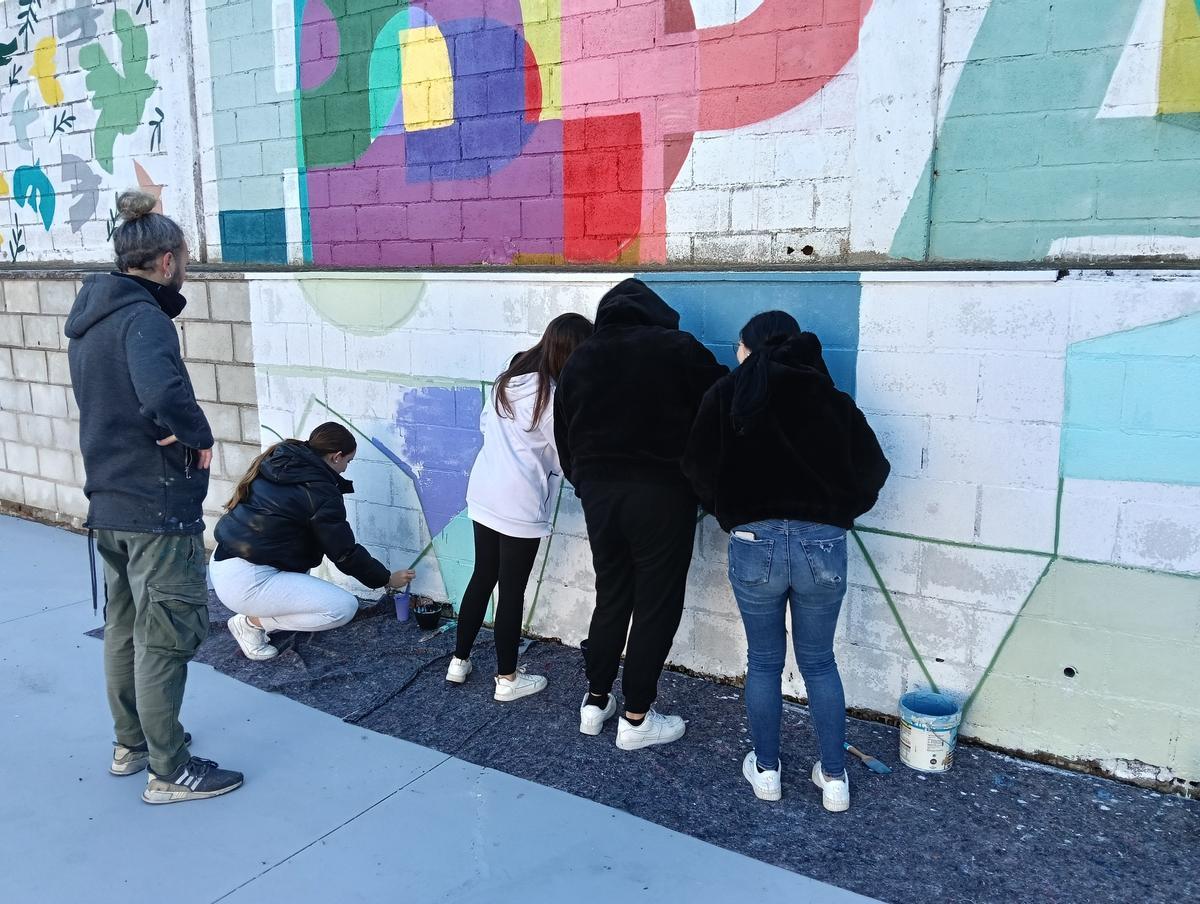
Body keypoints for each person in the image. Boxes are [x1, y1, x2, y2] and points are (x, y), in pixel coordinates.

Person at [65, 189, 242, 804]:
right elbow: (160, 392)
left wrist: (162, 424)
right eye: (185, 258)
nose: (185, 266)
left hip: (110, 501)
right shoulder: (144, 319)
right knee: (164, 634)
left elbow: (121, 401)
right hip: (156, 506)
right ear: (167, 261)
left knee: (124, 626)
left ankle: (132, 745)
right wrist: (197, 437)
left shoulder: (92, 318)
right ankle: (169, 770)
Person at [682, 311, 890, 811]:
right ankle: (835, 778)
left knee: (763, 661)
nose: (734, 352)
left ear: (750, 346)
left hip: (755, 541)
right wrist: (835, 514)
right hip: (823, 544)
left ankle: (768, 772)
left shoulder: (727, 394)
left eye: (738, 344)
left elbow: (695, 466)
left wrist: (731, 514)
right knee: (819, 662)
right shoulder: (830, 397)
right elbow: (874, 468)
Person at [554, 278, 727, 750]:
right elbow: (722, 406)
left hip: (599, 495)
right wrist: (702, 482)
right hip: (662, 493)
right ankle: (636, 717)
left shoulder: (581, 359)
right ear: (656, 312)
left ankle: (595, 701)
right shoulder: (679, 349)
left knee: (612, 595)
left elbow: (564, 437)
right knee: (656, 603)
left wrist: (586, 483)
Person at [448, 314, 594, 701]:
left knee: (483, 576)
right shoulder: (552, 399)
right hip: (520, 503)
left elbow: (485, 426)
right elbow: (564, 457)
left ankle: (458, 662)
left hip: (484, 491)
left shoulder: (508, 378)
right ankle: (507, 679)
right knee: (511, 592)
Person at [210, 423, 416, 659]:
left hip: (228, 562)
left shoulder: (282, 461)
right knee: (342, 608)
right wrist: (386, 578)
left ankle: (259, 612)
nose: (346, 468)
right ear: (336, 456)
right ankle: (251, 624)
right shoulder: (320, 491)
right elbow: (344, 553)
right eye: (348, 461)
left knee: (306, 561)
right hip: (247, 582)